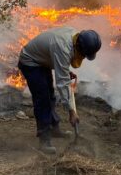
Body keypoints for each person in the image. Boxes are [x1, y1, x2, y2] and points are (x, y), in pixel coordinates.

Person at [17, 26, 102, 154]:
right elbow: (63, 83)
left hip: (43, 61)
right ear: (79, 47)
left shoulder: (77, 38)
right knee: (43, 100)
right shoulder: (63, 47)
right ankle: (44, 140)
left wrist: (65, 71)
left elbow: (60, 62)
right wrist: (71, 111)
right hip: (31, 62)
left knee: (50, 95)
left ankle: (54, 128)